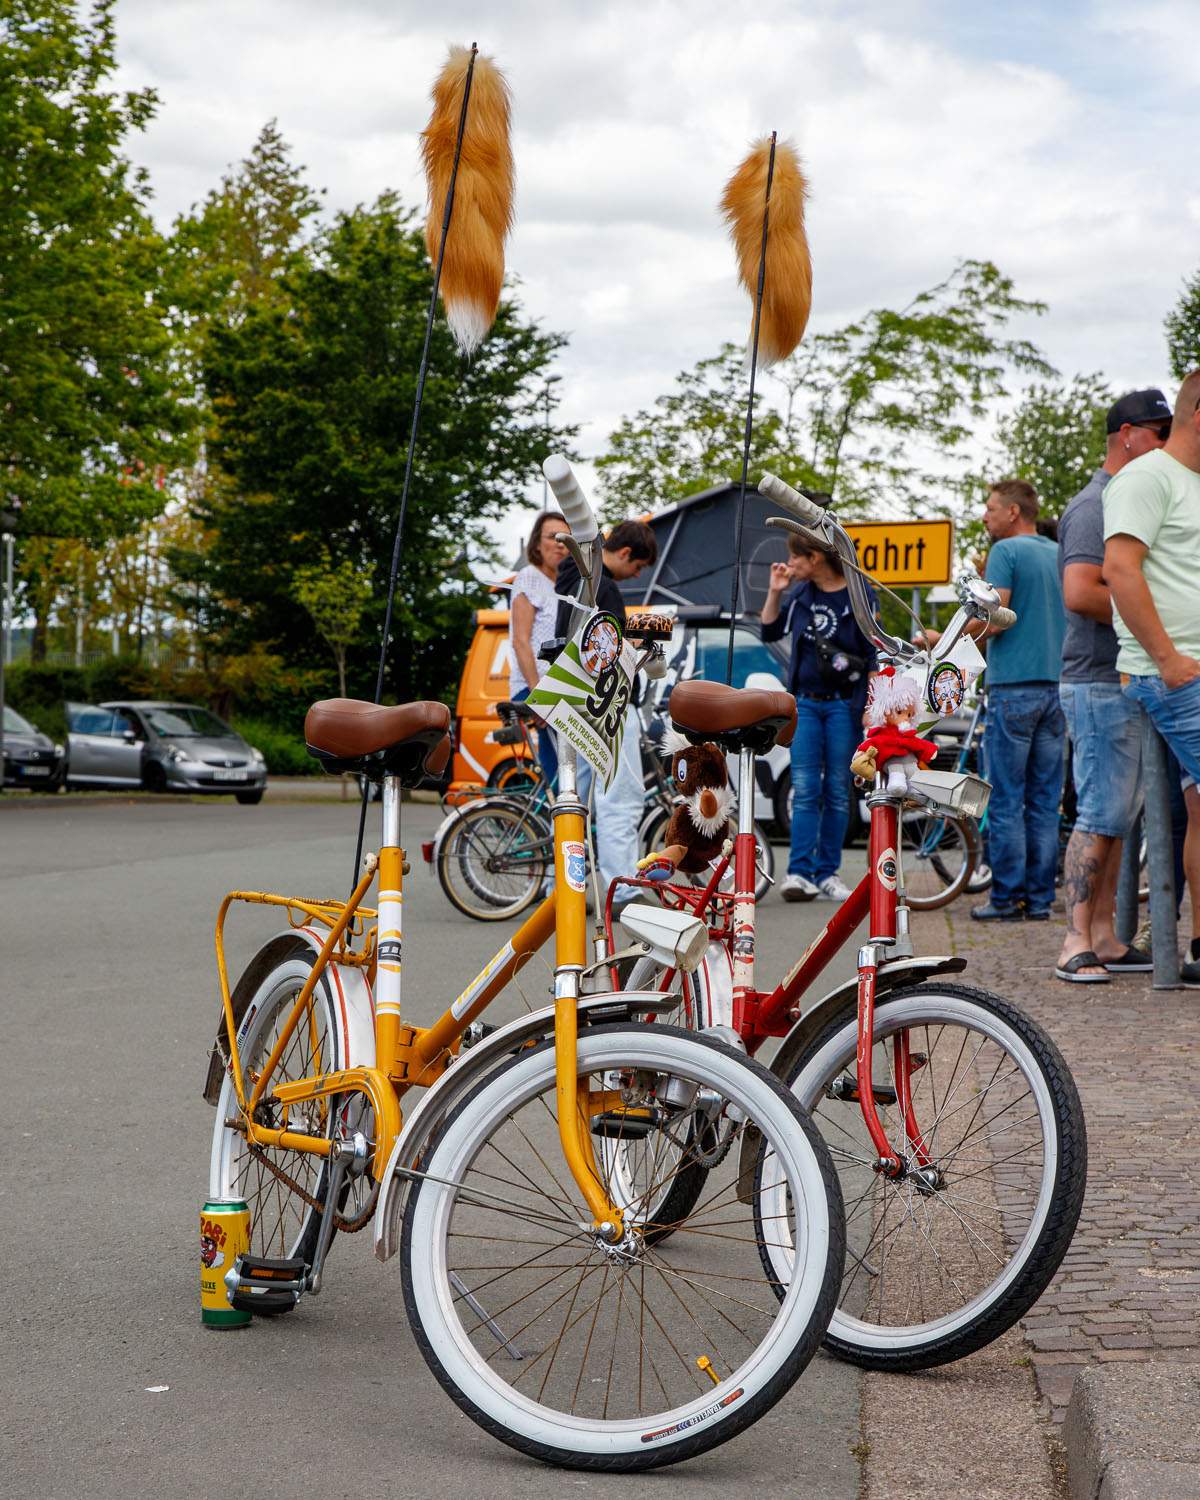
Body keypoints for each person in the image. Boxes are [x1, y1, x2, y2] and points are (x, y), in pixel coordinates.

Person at [1053, 389, 1172, 981]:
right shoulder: (1095, 506)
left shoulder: (1128, 499)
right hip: (1096, 681)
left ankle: (1103, 935)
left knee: (1118, 812)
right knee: (1099, 810)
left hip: (1117, 679)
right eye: (1157, 431)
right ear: (1126, 434)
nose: (1165, 441)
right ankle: (1074, 938)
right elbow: (1078, 592)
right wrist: (1153, 615)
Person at [1104, 369, 1200, 985]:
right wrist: (1166, 660)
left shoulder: (1190, 482)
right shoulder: (1146, 476)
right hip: (1171, 672)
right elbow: (1119, 568)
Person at [762, 532, 877, 902]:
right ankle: (799, 873)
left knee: (838, 791)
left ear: (814, 558)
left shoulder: (859, 595)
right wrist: (776, 590)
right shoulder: (800, 596)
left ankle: (828, 873)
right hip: (806, 704)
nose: (789, 564)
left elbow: (873, 655)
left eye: (794, 558)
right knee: (806, 788)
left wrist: (872, 707)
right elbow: (769, 630)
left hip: (845, 704)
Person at [971, 479, 1066, 922]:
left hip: (1013, 689)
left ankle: (1006, 900)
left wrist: (947, 639)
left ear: (1013, 512)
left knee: (1006, 799)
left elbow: (998, 617)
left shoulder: (1006, 552)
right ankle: (1042, 901)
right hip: (1058, 687)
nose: (985, 517)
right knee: (1046, 803)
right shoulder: (1057, 551)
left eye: (990, 509)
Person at [555, 519, 659, 898]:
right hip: (606, 706)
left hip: (570, 703)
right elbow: (609, 654)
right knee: (620, 798)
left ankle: (565, 887)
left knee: (573, 801)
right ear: (627, 553)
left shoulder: (575, 579)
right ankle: (622, 891)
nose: (637, 574)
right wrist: (640, 647)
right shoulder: (607, 591)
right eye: (639, 566)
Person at [508, 511, 570, 787]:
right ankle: (551, 824)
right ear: (536, 544)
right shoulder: (530, 576)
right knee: (560, 770)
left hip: (557, 689)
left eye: (565, 538)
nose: (560, 543)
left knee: (565, 767)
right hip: (536, 687)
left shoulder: (566, 586)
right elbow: (521, 641)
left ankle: (548, 822)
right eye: (553, 537)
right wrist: (539, 696)